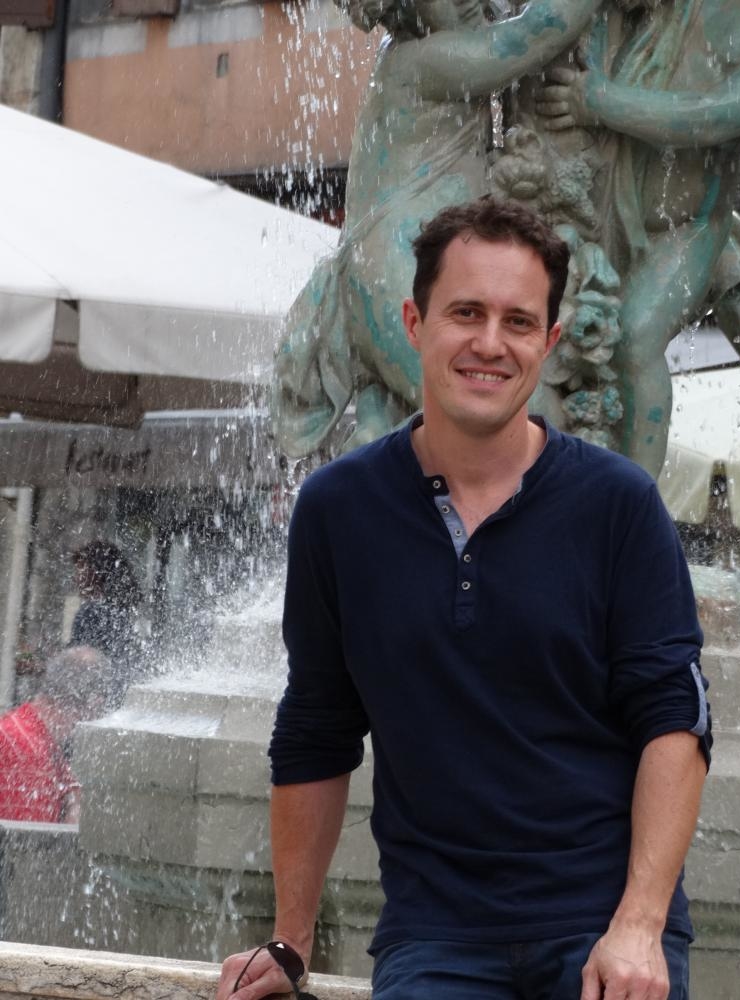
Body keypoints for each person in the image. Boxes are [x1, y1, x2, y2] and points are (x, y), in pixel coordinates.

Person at [217, 197, 711, 1000]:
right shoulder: (338, 510)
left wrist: (640, 924)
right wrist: (291, 941)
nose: (490, 343)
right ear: (414, 324)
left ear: (550, 342)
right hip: (435, 936)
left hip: (602, 928)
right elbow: (315, 726)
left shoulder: (619, 504)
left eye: (519, 322)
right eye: (466, 313)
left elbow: (676, 719)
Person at [274, 0, 606, 458]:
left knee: (418, 429)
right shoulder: (423, 62)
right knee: (523, 416)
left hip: (387, 273)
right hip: (401, 273)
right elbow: (533, 34)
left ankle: (373, 460)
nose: (471, 5)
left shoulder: (403, 58)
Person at [535, 0, 740, 476]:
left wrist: (600, 103)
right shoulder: (627, 14)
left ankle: (641, 499)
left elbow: (721, 115)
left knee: (635, 336)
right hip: (592, 208)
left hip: (688, 228)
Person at [0, 646, 115, 823]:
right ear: (94, 703)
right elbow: (29, 837)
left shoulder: (31, 731)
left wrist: (73, 800)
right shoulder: (26, 749)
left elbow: (72, 788)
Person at [71, 540, 143, 700]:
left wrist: (42, 666)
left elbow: (78, 665)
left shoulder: (90, 612)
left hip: (98, 698)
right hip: (124, 696)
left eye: (81, 570)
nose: (75, 579)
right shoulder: (122, 609)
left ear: (96, 573)